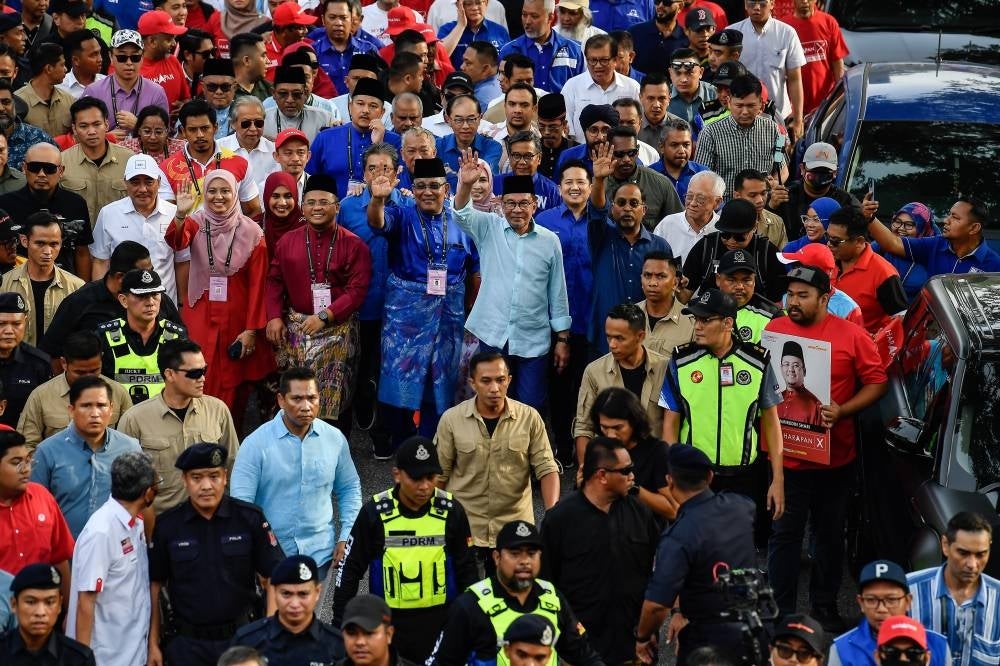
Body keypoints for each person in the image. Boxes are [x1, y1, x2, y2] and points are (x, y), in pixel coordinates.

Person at [765, 264, 887, 627]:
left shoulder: (852, 335)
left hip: (837, 462)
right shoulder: (774, 330)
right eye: (791, 294)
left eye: (804, 296)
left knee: (830, 536)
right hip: (786, 461)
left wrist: (844, 410)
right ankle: (781, 611)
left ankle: (824, 605)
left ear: (826, 297)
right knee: (784, 536)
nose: (795, 302)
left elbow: (877, 382)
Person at [333, 436, 478, 661]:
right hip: (388, 625)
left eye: (431, 477)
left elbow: (468, 571)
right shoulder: (375, 512)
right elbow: (349, 569)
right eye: (416, 478)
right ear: (397, 474)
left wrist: (468, 620)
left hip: (440, 623)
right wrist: (338, 624)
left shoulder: (451, 511)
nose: (425, 486)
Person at [367, 158, 475, 445]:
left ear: (447, 188)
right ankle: (404, 443)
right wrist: (378, 200)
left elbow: (473, 269)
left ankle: (432, 440)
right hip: (407, 316)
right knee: (401, 379)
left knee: (441, 378)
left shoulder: (461, 220)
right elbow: (377, 223)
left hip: (449, 312)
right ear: (412, 190)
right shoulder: (401, 214)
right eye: (421, 187)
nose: (428, 192)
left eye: (434, 186)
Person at [147, 443, 285, 666]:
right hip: (187, 646)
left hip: (242, 642)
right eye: (196, 477)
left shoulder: (249, 519)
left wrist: (268, 633)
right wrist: (153, 643)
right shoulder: (168, 526)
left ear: (225, 477)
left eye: (213, 476)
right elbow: (154, 586)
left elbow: (275, 578)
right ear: (184, 480)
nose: (206, 486)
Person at [659, 287, 785, 531]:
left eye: (706, 320)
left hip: (745, 478)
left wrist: (777, 479)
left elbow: (772, 422)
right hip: (693, 477)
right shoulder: (680, 361)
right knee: (695, 549)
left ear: (728, 322)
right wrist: (670, 475)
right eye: (696, 319)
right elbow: (670, 423)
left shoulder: (758, 361)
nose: (698, 326)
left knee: (738, 550)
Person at [453, 160, 571, 409]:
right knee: (492, 402)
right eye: (511, 203)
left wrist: (562, 338)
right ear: (500, 204)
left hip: (533, 338)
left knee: (529, 405)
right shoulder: (488, 228)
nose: (517, 210)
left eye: (523, 203)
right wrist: (464, 184)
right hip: (493, 334)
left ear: (534, 205)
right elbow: (461, 213)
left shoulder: (549, 241)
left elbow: (557, 292)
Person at [232, 366, 363, 581]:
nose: (306, 406)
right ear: (281, 400)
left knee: (312, 616)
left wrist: (346, 535)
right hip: (271, 559)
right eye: (297, 399)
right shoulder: (255, 445)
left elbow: (349, 488)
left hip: (320, 557)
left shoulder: (334, 439)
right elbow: (242, 507)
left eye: (312, 398)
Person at [634, 444, 759, 665]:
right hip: (750, 629)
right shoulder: (742, 506)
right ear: (710, 476)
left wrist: (643, 637)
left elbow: (656, 606)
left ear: (670, 481)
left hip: (706, 644)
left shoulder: (677, 536)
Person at [264, 174, 371, 428]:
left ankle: (334, 455)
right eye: (311, 202)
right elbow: (274, 281)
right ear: (303, 207)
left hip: (339, 331)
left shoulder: (354, 245)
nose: (317, 208)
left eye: (324, 202)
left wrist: (325, 316)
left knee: (337, 405)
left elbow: (357, 290)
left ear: (337, 206)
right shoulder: (287, 241)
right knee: (296, 397)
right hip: (298, 330)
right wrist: (274, 316)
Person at [434, 352, 560, 566]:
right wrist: (436, 526)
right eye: (486, 381)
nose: (494, 388)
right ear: (472, 383)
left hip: (514, 531)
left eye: (500, 380)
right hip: (465, 529)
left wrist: (553, 517)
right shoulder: (451, 420)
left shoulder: (530, 418)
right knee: (466, 598)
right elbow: (439, 476)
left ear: (509, 380)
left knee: (513, 596)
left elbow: (547, 469)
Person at [543, 435, 659, 663]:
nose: (632, 477)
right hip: (580, 652)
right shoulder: (559, 520)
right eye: (625, 471)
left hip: (635, 648)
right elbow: (546, 585)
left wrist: (650, 628)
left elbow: (658, 573)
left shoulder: (640, 513)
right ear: (602, 475)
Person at [429, 519, 601, 666]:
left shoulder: (552, 597)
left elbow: (583, 654)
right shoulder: (469, 606)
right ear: (497, 558)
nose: (525, 561)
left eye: (531, 554)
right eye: (515, 553)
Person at [169, 168, 273, 408]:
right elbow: (176, 242)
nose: (218, 196)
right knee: (195, 372)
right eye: (212, 191)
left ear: (235, 193)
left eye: (225, 190)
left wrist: (251, 330)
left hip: (236, 317)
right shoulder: (195, 222)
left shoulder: (252, 232)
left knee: (232, 381)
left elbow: (258, 286)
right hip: (201, 314)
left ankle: (227, 439)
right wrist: (181, 214)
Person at [116, 338, 240, 513]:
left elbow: (233, 465)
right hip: (160, 526)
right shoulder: (134, 419)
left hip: (210, 520)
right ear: (169, 374)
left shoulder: (217, 410)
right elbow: (125, 483)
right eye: (194, 373)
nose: (203, 378)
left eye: (204, 370)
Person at [66, 450, 156, 666]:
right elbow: (86, 602)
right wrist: (83, 660)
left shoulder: (136, 525)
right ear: (147, 492)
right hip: (104, 658)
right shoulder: (101, 532)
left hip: (133, 651)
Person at [585, 141, 672, 355]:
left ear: (644, 209)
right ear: (612, 208)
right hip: (605, 338)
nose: (627, 208)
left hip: (647, 338)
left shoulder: (659, 246)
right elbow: (596, 209)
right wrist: (599, 179)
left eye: (633, 204)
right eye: (621, 203)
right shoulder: (602, 236)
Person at [30, 375, 141, 537]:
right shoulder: (47, 452)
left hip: (119, 552)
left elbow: (143, 503)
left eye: (101, 405)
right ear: (71, 410)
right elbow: (35, 508)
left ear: (111, 408)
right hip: (66, 555)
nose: (95, 413)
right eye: (86, 406)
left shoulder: (130, 448)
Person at [535, 158, 591, 466]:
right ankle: (560, 443)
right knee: (556, 385)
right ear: (559, 188)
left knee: (586, 386)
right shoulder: (544, 220)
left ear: (591, 186)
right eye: (568, 182)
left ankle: (583, 445)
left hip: (589, 317)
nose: (574, 187)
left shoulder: (602, 221)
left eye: (581, 181)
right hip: (550, 318)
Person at [39, 240, 182, 361]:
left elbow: (182, 344)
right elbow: (52, 353)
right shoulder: (80, 302)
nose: (148, 279)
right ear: (120, 277)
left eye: (151, 271)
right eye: (141, 274)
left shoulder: (158, 300)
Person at [90, 153, 190, 304]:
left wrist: (182, 304)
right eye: (135, 182)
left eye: (149, 182)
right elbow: (101, 261)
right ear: (125, 183)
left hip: (164, 304)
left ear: (159, 182)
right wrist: (101, 302)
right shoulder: (109, 213)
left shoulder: (175, 214)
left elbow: (181, 262)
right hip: (121, 304)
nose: (142, 189)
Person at [574, 303, 668, 456]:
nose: (612, 345)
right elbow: (584, 427)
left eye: (619, 338)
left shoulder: (664, 369)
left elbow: (673, 425)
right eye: (608, 337)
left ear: (640, 336)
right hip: (610, 462)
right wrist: (586, 471)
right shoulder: (594, 371)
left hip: (652, 462)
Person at [908, 511, 1000, 666]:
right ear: (945, 545)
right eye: (963, 553)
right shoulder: (907, 591)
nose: (972, 564)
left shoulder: (998, 599)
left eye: (981, 554)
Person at [18, 331, 132, 446]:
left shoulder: (118, 393)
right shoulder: (41, 396)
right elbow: (27, 445)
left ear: (101, 359)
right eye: (80, 372)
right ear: (64, 363)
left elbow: (129, 443)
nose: (88, 378)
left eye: (94, 370)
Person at [829, 559, 949, 666]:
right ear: (861, 603)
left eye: (891, 599)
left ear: (908, 601)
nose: (881, 609)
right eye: (871, 600)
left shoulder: (938, 645)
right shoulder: (842, 649)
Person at [231, 554, 345, 665]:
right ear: (274, 592)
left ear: (317, 592)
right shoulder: (248, 641)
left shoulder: (337, 645)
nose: (295, 604)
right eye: (286, 594)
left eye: (303, 594)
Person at [0, 142, 92, 278]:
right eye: (34, 168)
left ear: (61, 171)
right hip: (16, 283)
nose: (41, 174)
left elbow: (82, 252)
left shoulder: (75, 203)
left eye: (49, 169)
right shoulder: (5, 204)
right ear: (24, 168)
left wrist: (83, 292)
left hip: (65, 285)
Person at [95, 268, 187, 405]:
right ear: (124, 300)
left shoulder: (176, 336)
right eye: (142, 296)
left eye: (155, 294)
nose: (150, 302)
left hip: (164, 418)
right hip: (119, 420)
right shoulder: (105, 336)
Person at [160, 99, 263, 218]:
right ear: (183, 131)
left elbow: (254, 211)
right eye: (193, 130)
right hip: (188, 236)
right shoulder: (167, 168)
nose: (200, 135)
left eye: (205, 128)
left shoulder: (239, 163)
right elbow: (166, 220)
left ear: (215, 128)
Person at [307, 78, 401, 200]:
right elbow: (309, 181)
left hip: (382, 211)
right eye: (360, 104)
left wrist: (378, 144)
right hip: (333, 213)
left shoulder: (395, 141)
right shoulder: (325, 138)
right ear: (350, 107)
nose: (365, 110)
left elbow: (400, 182)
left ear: (382, 112)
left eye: (373, 106)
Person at [0, 430, 74, 584]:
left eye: (28, 461)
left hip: (45, 604)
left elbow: (60, 558)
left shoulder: (42, 496)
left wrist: (68, 607)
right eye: (16, 462)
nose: (26, 469)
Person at [1, 211, 85, 346]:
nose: (47, 251)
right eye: (40, 243)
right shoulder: (3, 285)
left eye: (54, 244)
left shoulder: (77, 288)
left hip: (58, 365)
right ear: (24, 241)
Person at [694, 74, 785, 198]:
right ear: (729, 102)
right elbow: (702, 177)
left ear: (761, 105)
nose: (745, 112)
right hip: (725, 209)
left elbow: (782, 168)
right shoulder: (710, 133)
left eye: (750, 106)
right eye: (739, 106)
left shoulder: (774, 129)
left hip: (764, 207)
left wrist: (775, 183)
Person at [866, 196, 1000, 277]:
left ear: (974, 228)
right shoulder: (935, 245)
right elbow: (893, 243)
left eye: (955, 218)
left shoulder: (994, 266)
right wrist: (870, 217)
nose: (947, 221)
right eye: (949, 214)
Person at [681, 198, 786, 301]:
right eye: (725, 234)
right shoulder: (707, 246)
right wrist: (677, 286)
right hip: (711, 313)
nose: (731, 241)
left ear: (754, 227)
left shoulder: (767, 252)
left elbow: (777, 303)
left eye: (739, 236)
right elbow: (684, 296)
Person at [729, 0, 804, 139]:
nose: (757, 8)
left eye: (762, 3)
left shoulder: (786, 33)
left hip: (779, 118)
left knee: (779, 159)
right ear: (745, 4)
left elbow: (795, 79)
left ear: (772, 4)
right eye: (752, 3)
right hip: (741, 116)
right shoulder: (732, 33)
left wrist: (798, 120)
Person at [826, 206, 906, 336]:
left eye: (836, 241)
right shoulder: (825, 260)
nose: (829, 244)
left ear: (859, 241)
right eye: (827, 237)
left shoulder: (884, 273)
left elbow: (901, 319)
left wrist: (874, 341)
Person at [0, 562, 95, 665]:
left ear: (59, 605)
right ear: (14, 604)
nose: (40, 612)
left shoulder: (78, 659)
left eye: (49, 602)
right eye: (31, 602)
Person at [81, 30, 170, 137]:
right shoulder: (94, 91)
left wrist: (139, 126)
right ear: (111, 57)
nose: (129, 63)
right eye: (122, 58)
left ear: (142, 58)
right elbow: (80, 131)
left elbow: (165, 134)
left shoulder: (156, 92)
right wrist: (105, 138)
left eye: (135, 57)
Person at [596, 126, 682, 231]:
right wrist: (599, 181)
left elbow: (679, 225)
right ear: (608, 151)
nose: (626, 159)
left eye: (631, 153)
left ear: (637, 151)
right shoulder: (599, 185)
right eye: (619, 154)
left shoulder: (660, 183)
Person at [768, 141, 857, 240]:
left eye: (825, 171)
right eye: (814, 170)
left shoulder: (846, 201)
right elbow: (763, 230)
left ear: (835, 172)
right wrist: (771, 207)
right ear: (802, 169)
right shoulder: (784, 196)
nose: (819, 176)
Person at [562, 34, 640, 142]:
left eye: (604, 60)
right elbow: (566, 130)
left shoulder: (632, 87)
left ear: (615, 60)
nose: (598, 66)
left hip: (621, 155)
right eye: (593, 60)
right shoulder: (572, 86)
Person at [497, 0, 585, 93]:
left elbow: (581, 91)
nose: (527, 21)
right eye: (524, 14)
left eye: (534, 16)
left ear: (551, 17)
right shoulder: (508, 50)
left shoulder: (574, 50)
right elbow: (501, 94)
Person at [782, 0, 847, 115]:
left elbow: (837, 63)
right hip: (793, 109)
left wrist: (839, 98)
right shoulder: (784, 27)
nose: (805, 1)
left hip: (825, 106)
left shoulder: (829, 22)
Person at [0, 293, 53, 430]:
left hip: (23, 442)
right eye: (2, 324)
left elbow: (45, 413)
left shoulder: (39, 363)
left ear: (25, 322)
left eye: (16, 324)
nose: (9, 331)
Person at [652, 169, 724, 264]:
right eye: (689, 196)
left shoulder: (722, 230)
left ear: (717, 202)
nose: (693, 203)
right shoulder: (667, 225)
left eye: (700, 199)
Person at [714, 249, 782, 345]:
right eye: (731, 280)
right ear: (718, 279)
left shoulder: (773, 316)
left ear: (754, 281)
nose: (739, 286)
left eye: (746, 280)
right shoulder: (701, 309)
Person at [436, 94, 502, 189]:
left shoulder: (492, 147)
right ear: (448, 120)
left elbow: (483, 181)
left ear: (480, 119)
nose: (465, 126)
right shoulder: (438, 146)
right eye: (459, 120)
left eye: (471, 119)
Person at [877, 203, 939, 303]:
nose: (901, 228)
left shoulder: (934, 252)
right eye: (897, 222)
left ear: (922, 228)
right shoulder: (881, 245)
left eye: (909, 225)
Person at [637, 251, 694, 357]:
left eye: (660, 276)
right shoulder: (626, 318)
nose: (652, 283)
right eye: (647, 275)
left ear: (675, 283)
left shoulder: (692, 323)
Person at [14, 42, 75, 139]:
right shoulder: (17, 102)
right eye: (62, 65)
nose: (66, 69)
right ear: (49, 68)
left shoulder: (69, 100)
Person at [263, 65, 336, 144]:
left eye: (296, 94)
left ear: (305, 93)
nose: (290, 100)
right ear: (274, 93)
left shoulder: (324, 119)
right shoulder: (262, 121)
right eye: (283, 93)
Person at [138, 10, 190, 117]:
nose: (174, 43)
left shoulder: (173, 61)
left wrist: (185, 107)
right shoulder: (132, 70)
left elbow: (186, 98)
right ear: (152, 41)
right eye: (169, 39)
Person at [650, 118, 708, 203]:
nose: (681, 151)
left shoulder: (703, 174)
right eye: (674, 145)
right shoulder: (650, 176)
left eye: (686, 145)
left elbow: (717, 209)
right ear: (661, 147)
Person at [732, 168, 789, 249]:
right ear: (737, 196)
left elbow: (782, 257)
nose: (760, 200)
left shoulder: (777, 223)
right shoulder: (721, 222)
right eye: (752, 195)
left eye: (763, 193)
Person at [627, 1, 686, 78]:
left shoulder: (685, 38)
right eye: (657, 1)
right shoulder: (634, 32)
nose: (660, 6)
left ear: (680, 6)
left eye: (666, 2)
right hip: (638, 88)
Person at [775, 340, 823, 427]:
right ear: (781, 368)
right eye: (786, 364)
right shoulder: (773, 400)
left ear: (804, 371)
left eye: (796, 365)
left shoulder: (815, 404)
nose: (791, 369)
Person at [117, 105, 186, 166]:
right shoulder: (125, 148)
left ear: (167, 131)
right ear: (139, 130)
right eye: (147, 131)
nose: (153, 137)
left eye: (158, 132)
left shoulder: (182, 148)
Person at [536, 94, 577, 180]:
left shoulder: (577, 150)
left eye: (552, 127)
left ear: (564, 125)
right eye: (542, 126)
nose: (546, 132)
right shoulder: (530, 151)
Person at [57, 29, 107, 100]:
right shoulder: (59, 88)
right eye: (93, 55)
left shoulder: (108, 84)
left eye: (99, 52)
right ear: (76, 60)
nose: (100, 59)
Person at [459, 41, 502, 111]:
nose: (462, 67)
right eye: (463, 61)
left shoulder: (480, 100)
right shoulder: (502, 82)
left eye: (468, 63)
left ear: (485, 69)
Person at [230, 32, 273, 102]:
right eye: (263, 56)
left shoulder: (271, 90)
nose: (268, 61)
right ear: (247, 60)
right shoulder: (224, 92)